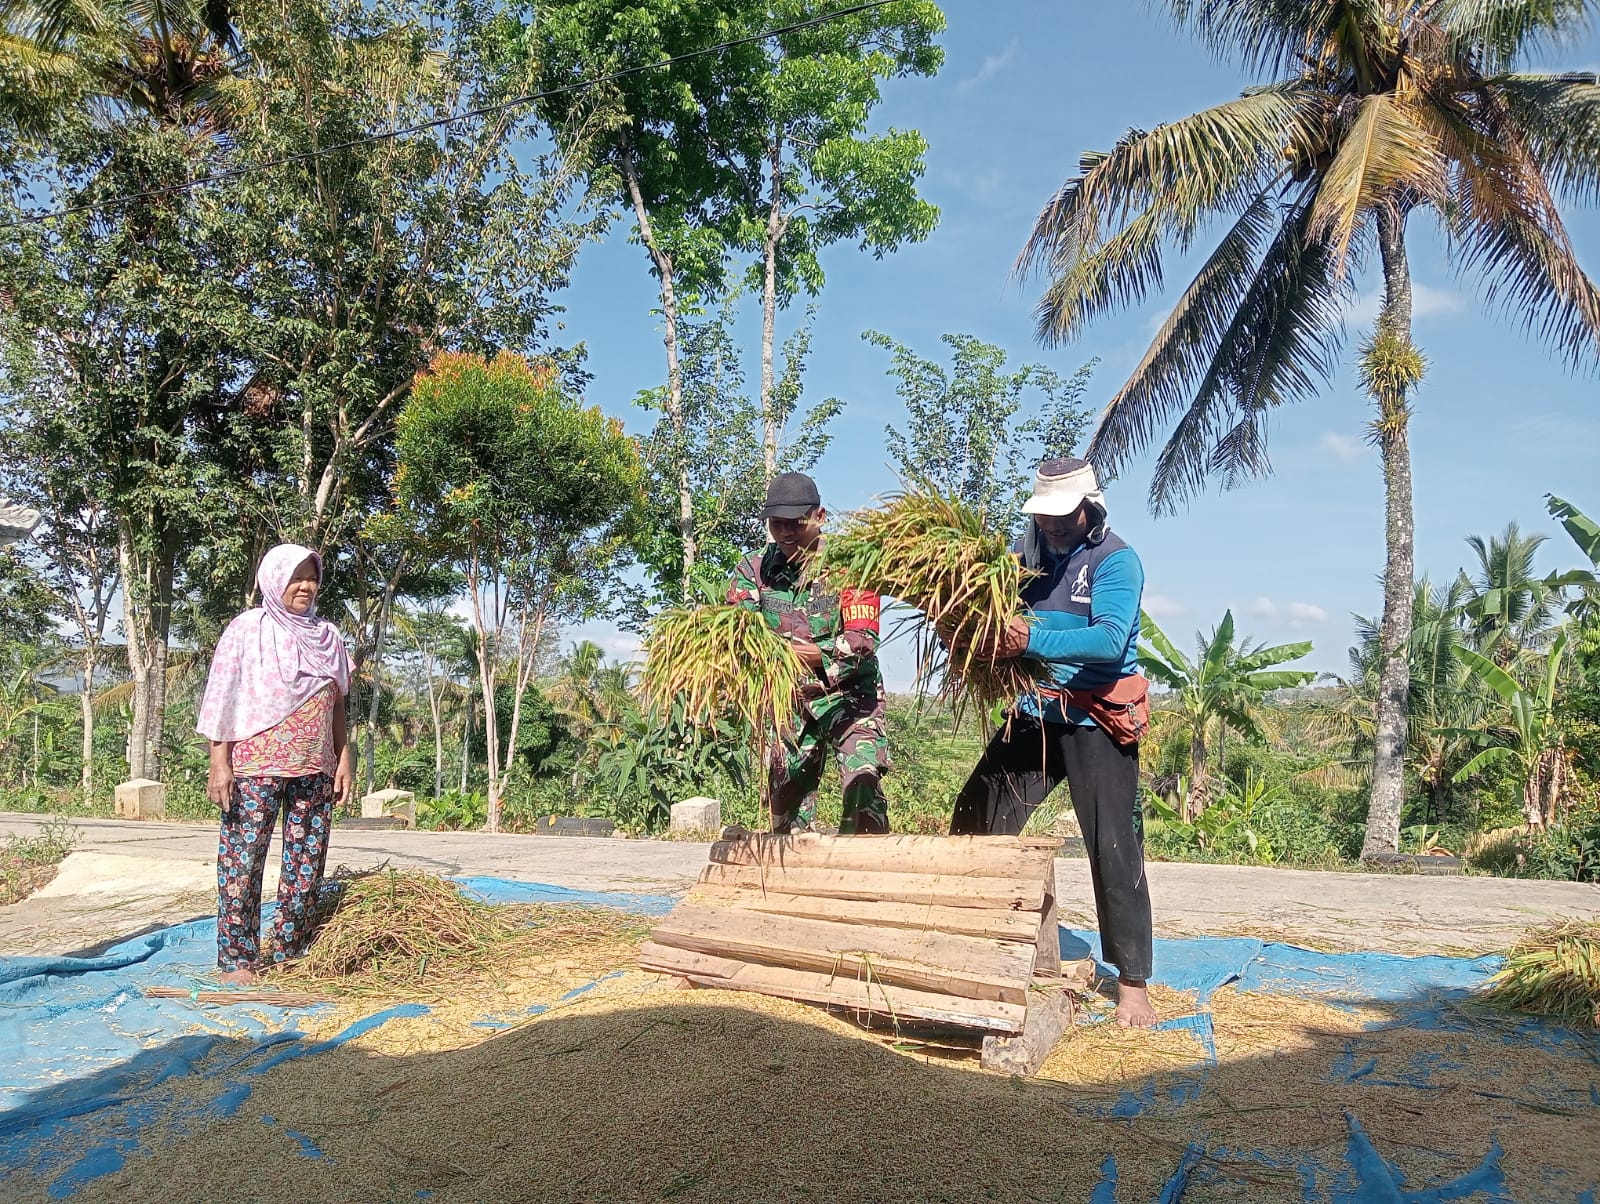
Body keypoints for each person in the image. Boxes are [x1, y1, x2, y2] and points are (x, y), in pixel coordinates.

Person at [948, 457, 1157, 1028]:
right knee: (975, 815)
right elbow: (991, 616)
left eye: (1065, 515)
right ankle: (974, 939)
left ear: (1090, 507)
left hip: (1095, 717)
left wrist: (1029, 639)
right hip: (1035, 711)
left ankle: (1132, 982)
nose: (1055, 525)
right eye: (1045, 516)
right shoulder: (1020, 559)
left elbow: (1109, 640)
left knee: (1114, 845)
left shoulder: (1115, 560)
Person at [197, 543, 353, 986]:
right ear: (273, 580)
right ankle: (238, 960)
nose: (306, 586)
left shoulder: (329, 636)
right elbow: (222, 696)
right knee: (242, 862)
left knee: (306, 865)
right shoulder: (248, 630)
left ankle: (289, 953)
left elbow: (337, 703)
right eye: (295, 577)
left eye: (312, 578)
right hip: (255, 767)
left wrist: (344, 757)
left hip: (315, 767)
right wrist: (219, 762)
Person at [728, 471, 890, 835]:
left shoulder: (851, 565)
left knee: (862, 785)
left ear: (820, 517)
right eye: (777, 524)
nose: (786, 533)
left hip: (851, 696)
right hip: (789, 701)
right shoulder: (753, 570)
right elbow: (740, 633)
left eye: (796, 523)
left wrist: (808, 654)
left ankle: (868, 860)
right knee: (787, 814)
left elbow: (862, 640)